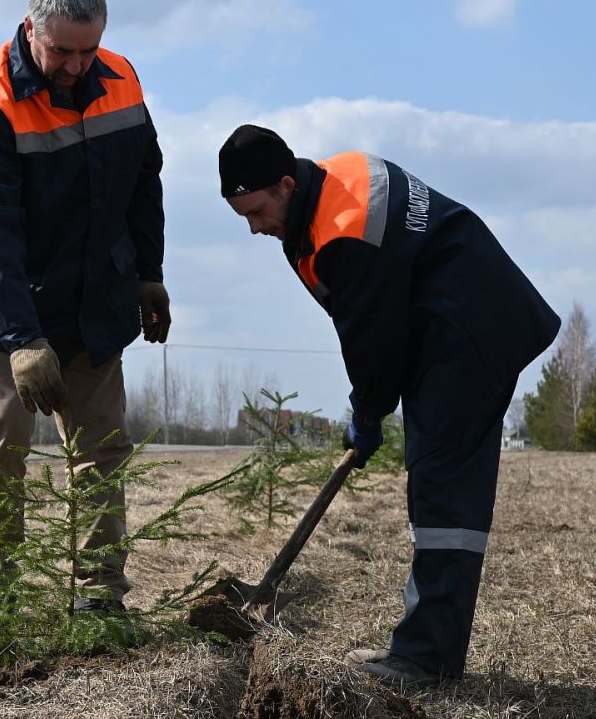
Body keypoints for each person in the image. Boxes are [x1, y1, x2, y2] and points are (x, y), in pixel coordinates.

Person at [218, 124, 560, 688]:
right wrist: (370, 406)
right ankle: (425, 647)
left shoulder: (343, 231)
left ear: (285, 184)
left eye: (257, 212)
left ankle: (426, 658)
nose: (255, 228)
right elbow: (373, 320)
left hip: (468, 332)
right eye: (243, 218)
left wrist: (367, 413)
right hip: (456, 322)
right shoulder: (335, 181)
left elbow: (371, 337)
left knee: (442, 489)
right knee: (435, 484)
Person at [0, 0, 170, 619]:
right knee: (4, 429)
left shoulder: (121, 79)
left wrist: (148, 271)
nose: (74, 66)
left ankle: (99, 596)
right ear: (30, 29)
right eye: (61, 51)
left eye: (87, 50)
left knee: (102, 446)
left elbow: (143, 180)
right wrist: (22, 339)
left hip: (93, 301)